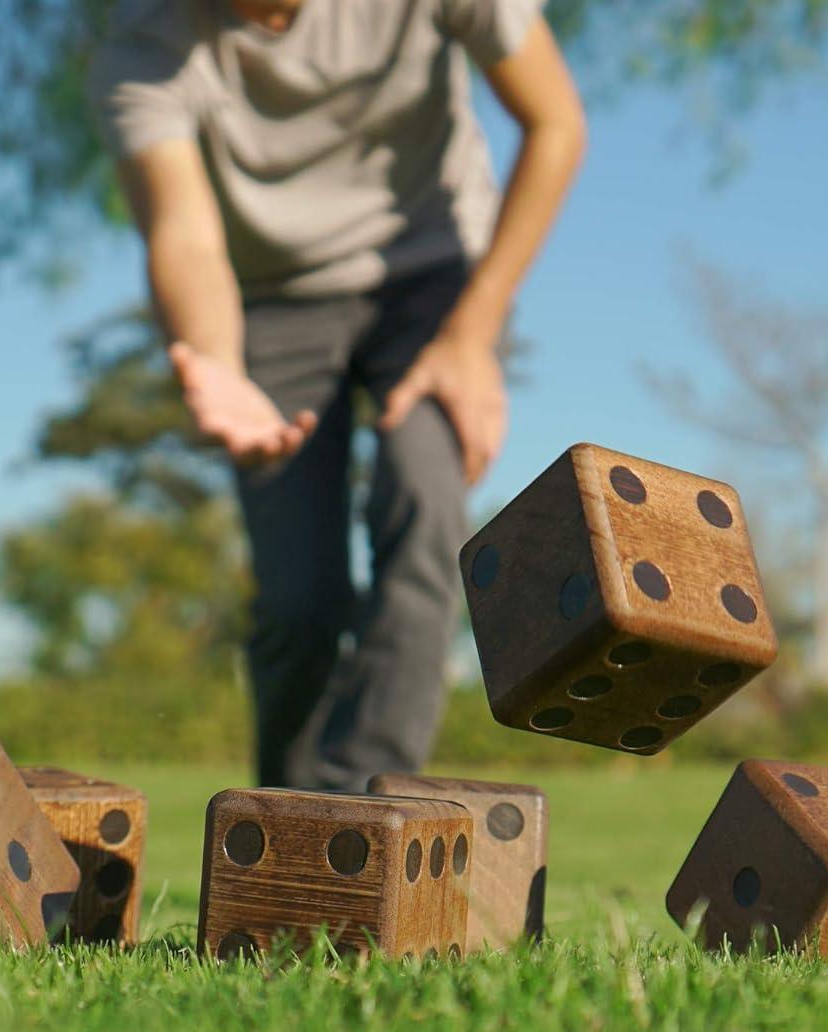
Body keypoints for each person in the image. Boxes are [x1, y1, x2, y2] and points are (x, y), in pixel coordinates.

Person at [90, 0, 585, 789]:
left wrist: (473, 336)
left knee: (423, 502)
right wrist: (216, 359)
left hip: (431, 280)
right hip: (272, 299)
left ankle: (370, 809)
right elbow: (184, 230)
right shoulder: (147, 44)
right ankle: (281, 828)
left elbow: (556, 124)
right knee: (299, 598)